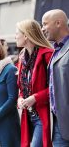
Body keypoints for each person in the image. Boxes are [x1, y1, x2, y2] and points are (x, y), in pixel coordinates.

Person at [16, 19, 53, 147]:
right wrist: (20, 98)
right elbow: (22, 86)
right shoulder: (22, 57)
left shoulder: (47, 55)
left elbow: (57, 88)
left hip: (44, 115)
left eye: (17, 33)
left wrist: (35, 98)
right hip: (28, 115)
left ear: (26, 35)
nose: (15, 36)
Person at [42, 9, 69, 146]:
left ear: (58, 23)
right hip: (57, 124)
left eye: (45, 24)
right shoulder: (56, 50)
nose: (42, 29)